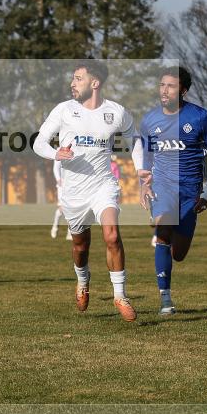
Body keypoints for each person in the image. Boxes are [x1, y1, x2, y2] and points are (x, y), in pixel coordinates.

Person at [34, 60, 142, 322]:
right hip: (74, 192)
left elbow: (135, 140)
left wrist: (141, 171)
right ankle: (83, 280)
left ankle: (120, 295)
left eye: (78, 78)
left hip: (103, 185)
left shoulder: (116, 112)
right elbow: (39, 142)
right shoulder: (63, 110)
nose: (72, 83)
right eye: (73, 78)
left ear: (95, 83)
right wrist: (56, 153)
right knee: (80, 247)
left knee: (112, 236)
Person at [136, 66, 207, 316]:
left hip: (190, 191)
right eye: (162, 85)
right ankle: (165, 299)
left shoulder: (199, 117)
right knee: (163, 230)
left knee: (179, 254)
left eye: (171, 86)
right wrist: (144, 183)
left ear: (183, 90)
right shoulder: (150, 120)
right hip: (162, 186)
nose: (164, 90)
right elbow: (146, 156)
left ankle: (170, 237)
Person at [49, 160, 72, 241]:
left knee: (72, 209)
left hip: (73, 185)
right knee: (61, 209)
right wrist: (58, 179)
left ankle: (70, 233)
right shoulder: (60, 153)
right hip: (62, 185)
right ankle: (55, 227)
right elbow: (56, 167)